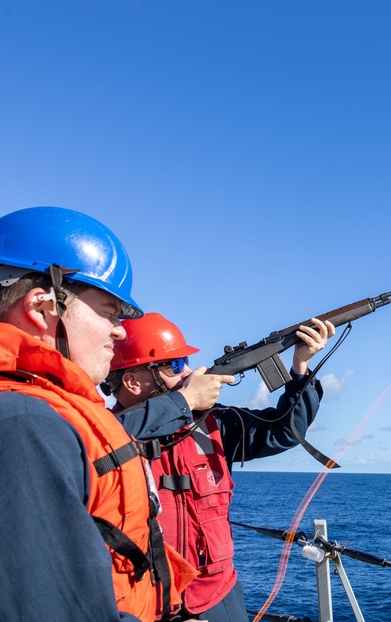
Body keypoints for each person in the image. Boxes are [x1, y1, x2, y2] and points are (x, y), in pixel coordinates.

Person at [0, 206, 201, 621]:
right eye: (110, 311)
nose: (120, 330)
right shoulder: (24, 424)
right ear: (43, 309)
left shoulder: (42, 412)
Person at [106, 311, 333, 622]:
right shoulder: (103, 434)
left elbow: (283, 431)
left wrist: (300, 368)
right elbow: (109, 438)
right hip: (144, 606)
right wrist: (184, 401)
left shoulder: (212, 422)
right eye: (174, 365)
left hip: (217, 595)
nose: (188, 372)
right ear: (133, 381)